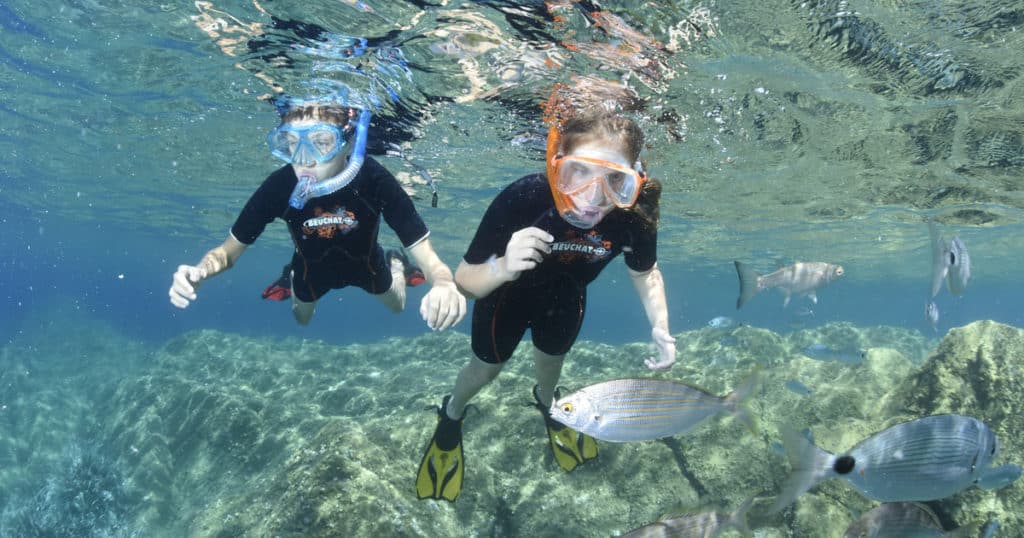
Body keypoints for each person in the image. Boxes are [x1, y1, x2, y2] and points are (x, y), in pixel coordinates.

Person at [415, 110, 677, 502]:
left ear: (633, 181)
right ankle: (451, 413)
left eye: (615, 181)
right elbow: (465, 282)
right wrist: (503, 266)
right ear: (556, 167)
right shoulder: (525, 198)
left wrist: (660, 324)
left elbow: (645, 272)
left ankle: (548, 404)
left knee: (551, 368)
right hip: (504, 298)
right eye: (579, 173)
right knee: (485, 371)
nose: (592, 197)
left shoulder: (633, 216)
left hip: (567, 300)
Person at [168, 97, 466, 331]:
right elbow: (227, 254)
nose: (304, 159)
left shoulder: (373, 179)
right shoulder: (280, 186)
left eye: (321, 142)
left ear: (347, 142)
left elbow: (429, 258)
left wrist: (444, 283)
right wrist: (200, 271)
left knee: (398, 306)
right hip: (310, 270)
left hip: (369, 264)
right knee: (302, 319)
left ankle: (396, 264)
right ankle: (292, 273)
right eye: (293, 144)